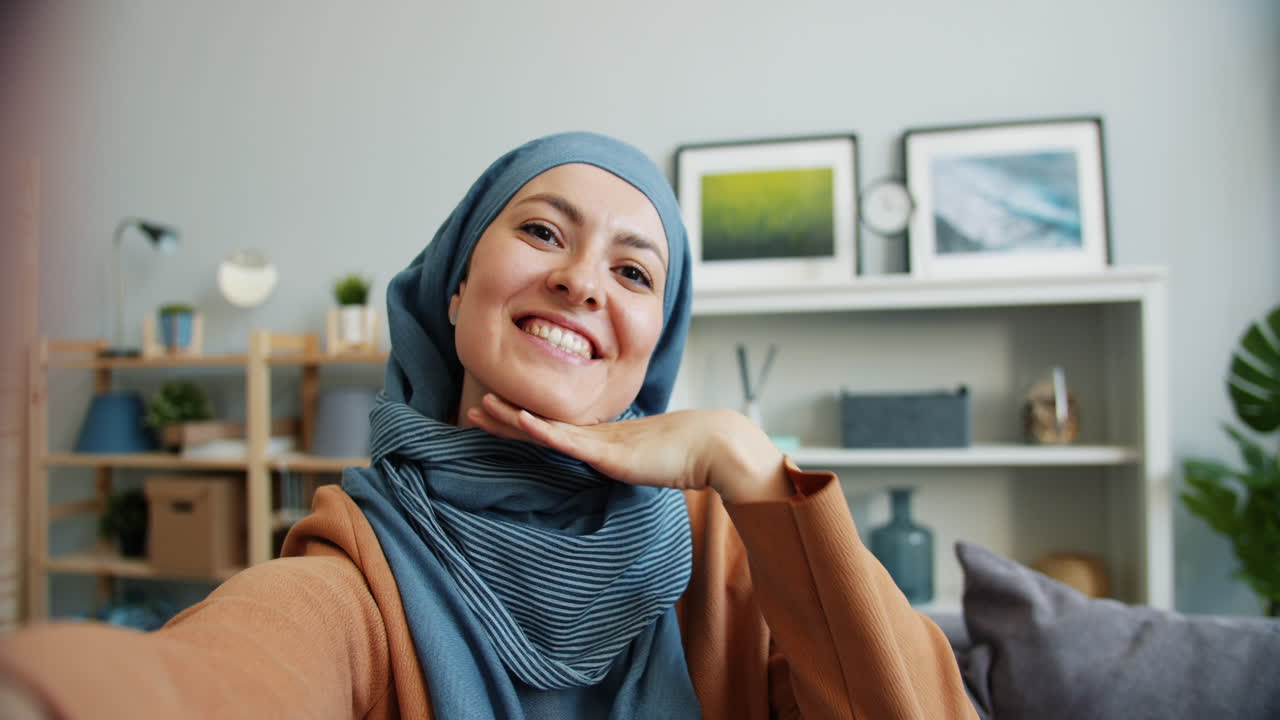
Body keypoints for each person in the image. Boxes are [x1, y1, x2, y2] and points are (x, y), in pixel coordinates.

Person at [0, 132, 977, 719]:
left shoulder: (725, 539)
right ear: (457, 283)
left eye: (633, 272)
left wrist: (753, 469)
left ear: (651, 346)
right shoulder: (364, 558)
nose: (580, 280)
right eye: (543, 231)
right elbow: (218, 676)